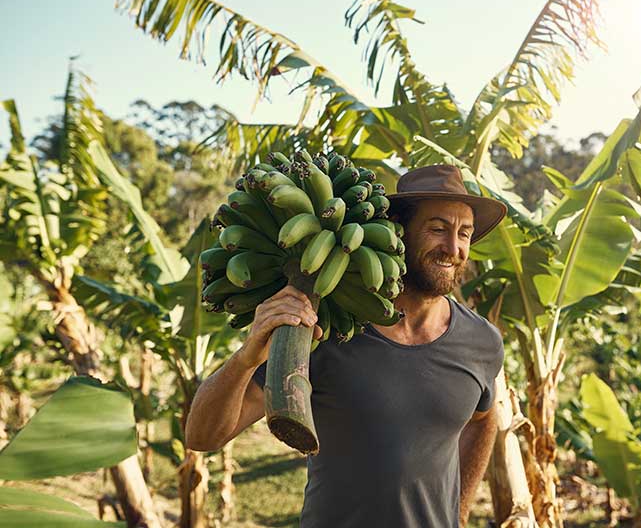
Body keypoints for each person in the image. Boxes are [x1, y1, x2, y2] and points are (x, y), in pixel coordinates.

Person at [185, 164, 508, 527]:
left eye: (464, 233)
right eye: (437, 229)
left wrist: (458, 512)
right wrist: (247, 358)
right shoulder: (325, 329)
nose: (454, 247)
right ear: (398, 232)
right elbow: (202, 436)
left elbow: (483, 420)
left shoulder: (482, 341)